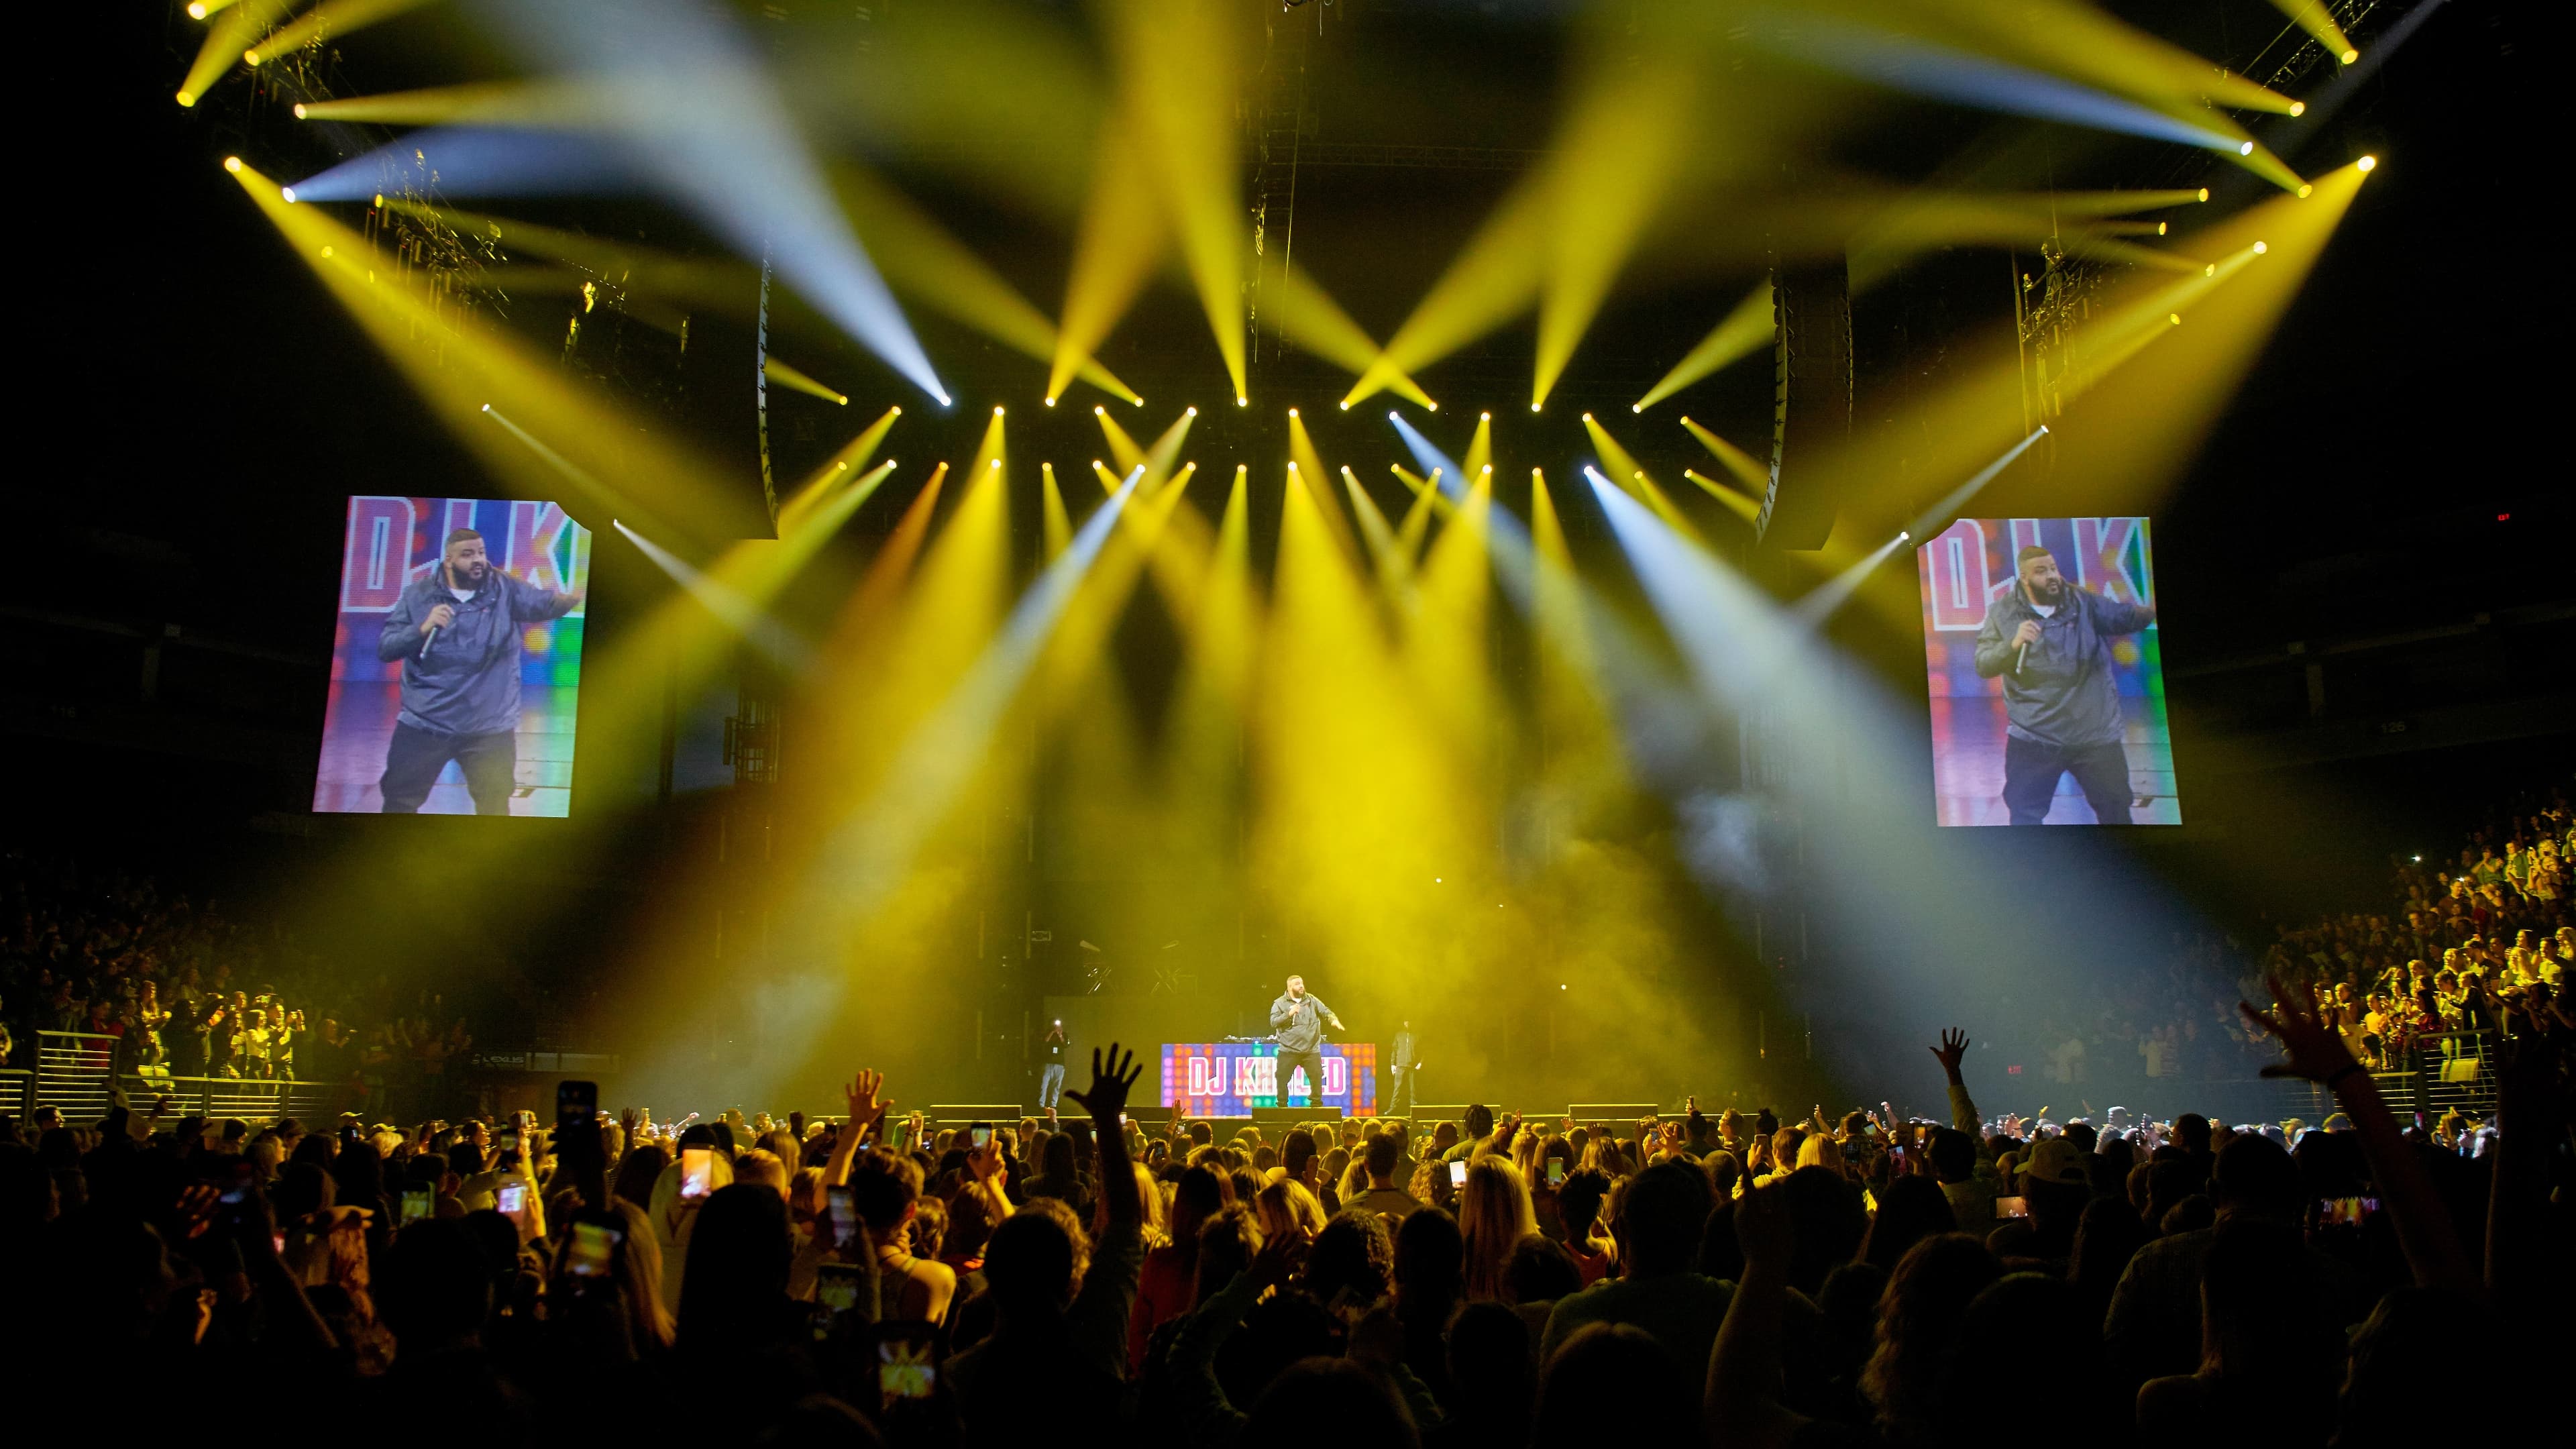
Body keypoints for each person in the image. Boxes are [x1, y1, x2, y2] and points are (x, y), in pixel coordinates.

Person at [374, 527, 583, 815]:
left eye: (481, 553)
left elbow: (544, 605)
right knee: (399, 803)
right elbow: (387, 648)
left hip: (488, 728)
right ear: (448, 560)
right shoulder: (419, 595)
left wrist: (575, 596)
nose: (478, 561)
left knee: (494, 807)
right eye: (468, 555)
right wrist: (422, 628)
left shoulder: (504, 588)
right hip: (426, 722)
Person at [1971, 543, 2157, 824]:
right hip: (2034, 736)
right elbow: (1983, 664)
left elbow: (2127, 618)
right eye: (2041, 571)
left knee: (2116, 813)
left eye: (2054, 569)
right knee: (2025, 817)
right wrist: (2013, 644)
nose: (2052, 576)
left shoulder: (2083, 602)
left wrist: (2153, 608)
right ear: (2024, 577)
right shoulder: (2002, 613)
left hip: (2094, 736)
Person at [1267, 975, 1343, 1106]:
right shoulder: (1279, 1003)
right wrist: (1289, 1014)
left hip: (1311, 1050)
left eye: (1302, 983)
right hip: (1288, 1050)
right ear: (1290, 987)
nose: (1301, 986)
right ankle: (1282, 1104)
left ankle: (1316, 1104)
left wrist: (1333, 1019)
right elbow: (1273, 1022)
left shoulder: (1311, 1000)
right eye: (1297, 984)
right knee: (1281, 1077)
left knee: (1317, 1076)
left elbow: (1325, 1011)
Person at [1388, 1018, 1419, 1118]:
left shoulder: (1417, 1036)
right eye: (1406, 1021)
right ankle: (1393, 1108)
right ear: (1403, 1022)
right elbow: (1394, 1050)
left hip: (1412, 1066)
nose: (1408, 1023)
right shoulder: (1399, 1035)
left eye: (1410, 1021)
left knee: (1413, 1089)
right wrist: (1393, 1064)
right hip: (1400, 1065)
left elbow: (1423, 1051)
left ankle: (1414, 1110)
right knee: (1397, 1088)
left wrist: (1420, 1063)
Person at [1038, 1019, 1068, 1111]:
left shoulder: (1064, 1034)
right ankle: (1041, 1104)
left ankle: (1053, 1104)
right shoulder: (1048, 1033)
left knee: (1056, 1085)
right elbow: (1045, 1041)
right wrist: (1052, 1032)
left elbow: (1066, 1044)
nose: (1057, 1027)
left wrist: (1060, 1035)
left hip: (1059, 1065)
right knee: (1044, 1084)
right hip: (1048, 1063)